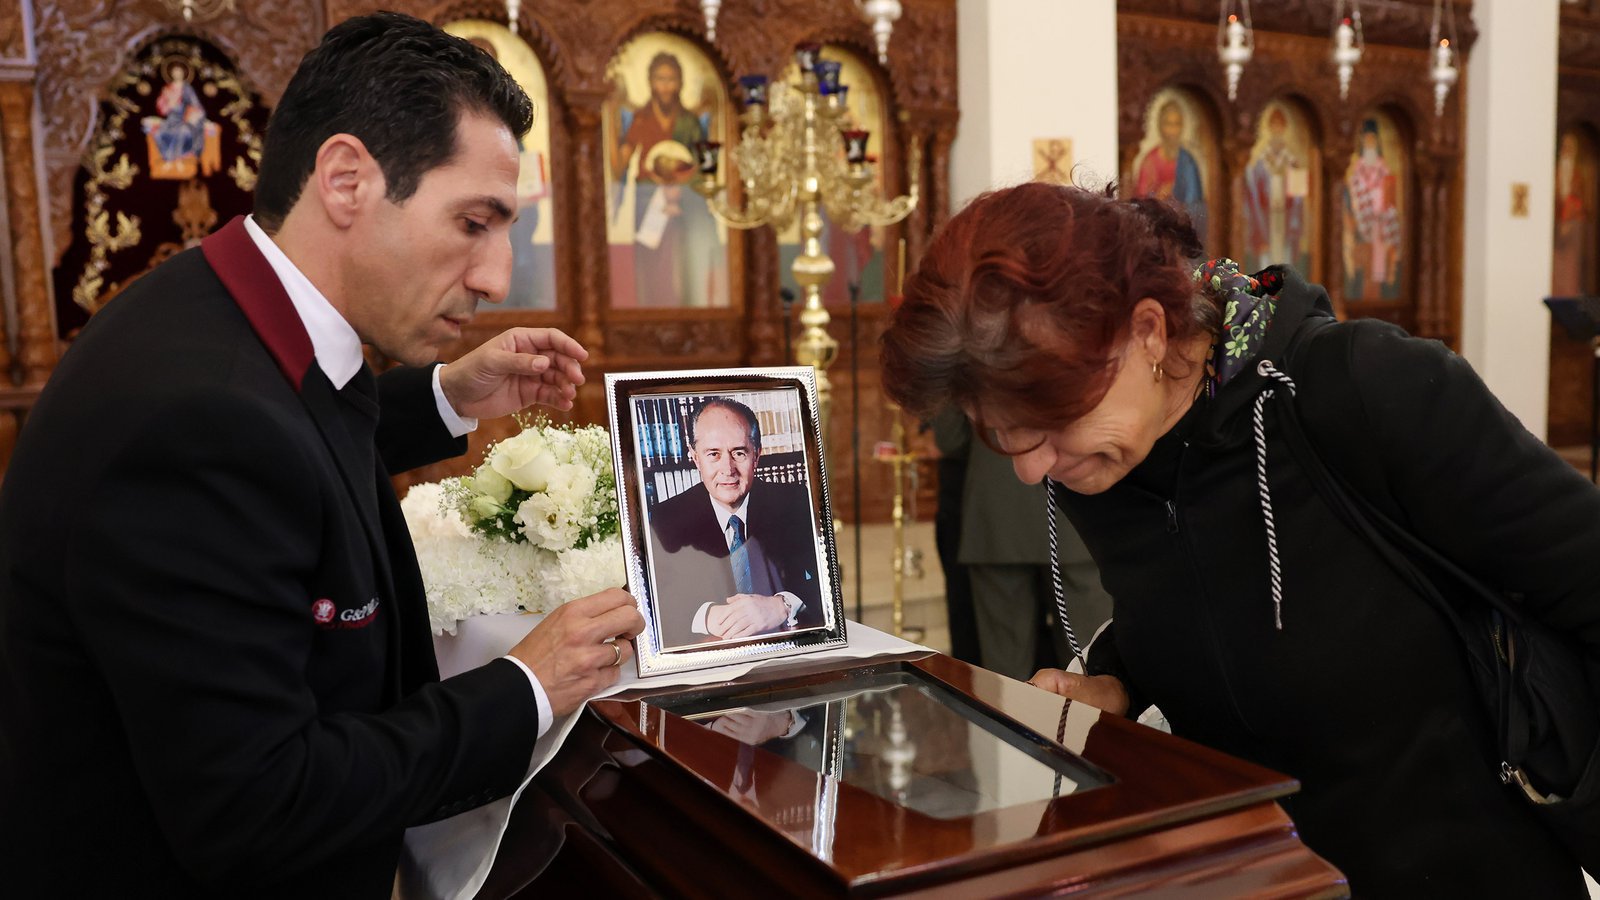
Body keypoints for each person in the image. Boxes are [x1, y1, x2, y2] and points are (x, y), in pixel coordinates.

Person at [0, 13, 644, 898]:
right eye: (473, 222)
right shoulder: (196, 423)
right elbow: (261, 805)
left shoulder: (219, 315)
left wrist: (447, 396)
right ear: (346, 181)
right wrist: (527, 686)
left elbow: (297, 434)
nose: (496, 277)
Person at [878, 180, 1599, 895]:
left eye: (1050, 422)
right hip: (1255, 880)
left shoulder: (1365, 390)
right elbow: (1202, 601)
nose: (1031, 469)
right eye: (1003, 434)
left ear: (1148, 332)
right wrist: (1118, 681)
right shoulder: (1105, 462)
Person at [931, 407, 1110, 681]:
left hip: (998, 513)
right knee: (1091, 668)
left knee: (1005, 674)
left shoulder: (974, 374)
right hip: (1074, 514)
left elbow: (950, 439)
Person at [647, 397, 823, 649]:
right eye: (713, 454)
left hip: (785, 648)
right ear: (695, 458)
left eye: (739, 453)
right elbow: (655, 603)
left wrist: (782, 605)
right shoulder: (664, 519)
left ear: (756, 455)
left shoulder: (795, 502)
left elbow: (824, 583)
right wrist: (706, 616)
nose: (727, 469)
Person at [1343, 118, 1402, 301]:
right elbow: (1352, 194)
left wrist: (1382, 207)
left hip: (1381, 223)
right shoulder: (1357, 170)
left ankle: (1379, 296)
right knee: (1364, 264)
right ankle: (1360, 296)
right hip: (1361, 224)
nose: (1369, 143)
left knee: (1380, 264)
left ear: (1377, 142)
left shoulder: (1384, 169)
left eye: (1372, 140)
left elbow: (1390, 196)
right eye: (1366, 139)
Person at [1133, 99, 1207, 237]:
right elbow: (1140, 203)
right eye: (1168, 124)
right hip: (1156, 231)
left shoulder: (1188, 161)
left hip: (1183, 231)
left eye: (1177, 124)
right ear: (1160, 126)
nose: (1172, 131)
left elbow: (1197, 204)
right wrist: (1159, 195)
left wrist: (1177, 194)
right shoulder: (1150, 161)